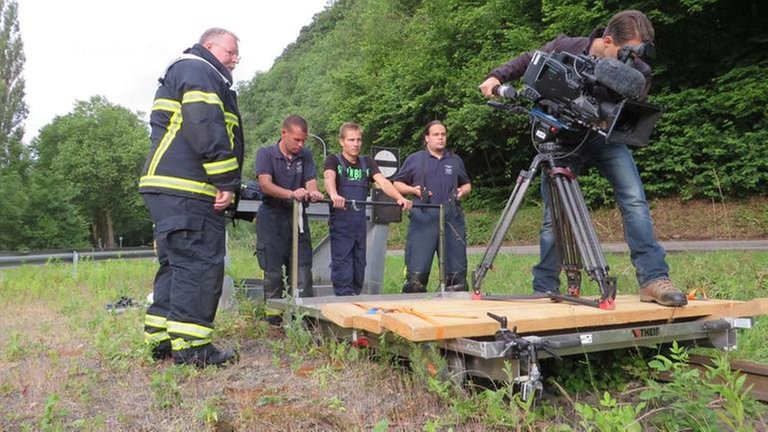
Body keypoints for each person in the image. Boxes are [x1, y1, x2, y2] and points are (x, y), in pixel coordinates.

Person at [479, 10, 687, 307]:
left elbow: (633, 110)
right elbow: (530, 58)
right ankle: (545, 287)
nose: (631, 61)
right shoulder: (567, 46)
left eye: (636, 54)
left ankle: (654, 279)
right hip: (561, 139)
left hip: (604, 138)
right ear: (606, 40)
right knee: (554, 218)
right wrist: (497, 77)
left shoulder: (639, 71)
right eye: (625, 53)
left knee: (634, 200)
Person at [139, 28, 243, 367]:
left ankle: (161, 339)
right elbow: (206, 126)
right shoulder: (199, 70)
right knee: (199, 265)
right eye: (231, 51)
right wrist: (226, 181)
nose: (235, 59)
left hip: (168, 187)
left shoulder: (185, 71)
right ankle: (193, 348)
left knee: (176, 264)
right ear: (211, 46)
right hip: (189, 190)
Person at [323, 123, 412, 296]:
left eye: (358, 140)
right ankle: (343, 302)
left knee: (359, 266)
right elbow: (328, 177)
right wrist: (334, 194)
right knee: (343, 266)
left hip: (359, 224)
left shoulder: (367, 163)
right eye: (351, 140)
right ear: (341, 141)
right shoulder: (334, 161)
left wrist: (399, 198)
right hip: (341, 225)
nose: (355, 144)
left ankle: (354, 298)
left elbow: (383, 182)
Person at [394, 121, 472, 293]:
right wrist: (412, 190)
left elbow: (467, 185)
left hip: (451, 218)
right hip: (424, 218)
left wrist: (462, 192)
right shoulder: (414, 159)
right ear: (427, 138)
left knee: (457, 281)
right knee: (416, 281)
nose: (440, 138)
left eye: (443, 134)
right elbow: (397, 184)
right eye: (436, 134)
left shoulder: (455, 160)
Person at [255, 115, 323, 302]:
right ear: (284, 134)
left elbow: (311, 183)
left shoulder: (305, 155)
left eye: (303, 140)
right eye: (297, 140)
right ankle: (273, 321)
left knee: (302, 271)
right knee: (273, 273)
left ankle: (303, 321)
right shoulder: (266, 154)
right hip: (272, 218)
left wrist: (314, 193)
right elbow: (265, 185)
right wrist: (291, 193)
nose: (300, 144)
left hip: (298, 218)